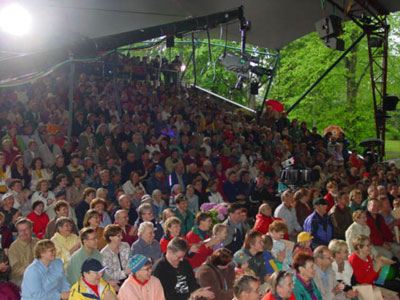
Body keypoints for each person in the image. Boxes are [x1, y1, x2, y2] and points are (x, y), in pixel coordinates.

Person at [9, 218, 39, 286]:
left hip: (40, 274)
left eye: (26, 229)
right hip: (20, 278)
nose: (23, 233)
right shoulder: (14, 247)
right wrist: (32, 270)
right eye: (20, 231)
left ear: (31, 229)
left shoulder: (38, 242)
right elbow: (16, 269)